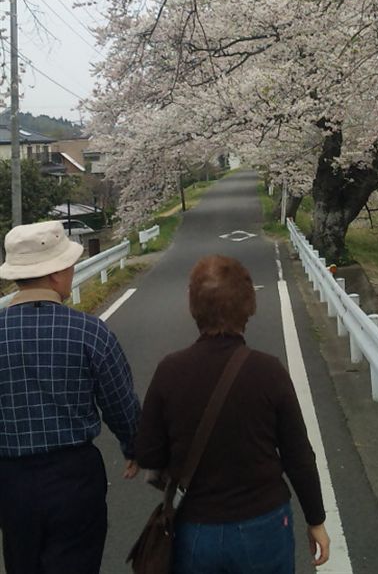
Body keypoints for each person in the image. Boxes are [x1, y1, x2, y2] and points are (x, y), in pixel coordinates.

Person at [135, 254, 330, 573]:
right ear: (248, 307)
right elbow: (298, 456)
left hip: (196, 527)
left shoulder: (169, 371)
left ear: (193, 308)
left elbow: (149, 452)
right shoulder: (269, 371)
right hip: (264, 523)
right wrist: (316, 520)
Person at [0, 220, 141, 574]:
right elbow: (120, 404)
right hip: (74, 477)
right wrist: (134, 447)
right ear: (57, 274)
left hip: (10, 480)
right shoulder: (89, 332)